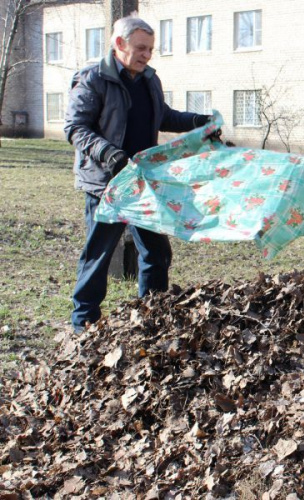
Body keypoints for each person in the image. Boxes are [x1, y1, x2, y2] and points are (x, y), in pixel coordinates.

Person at [64, 14, 212, 333]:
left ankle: (152, 314)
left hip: (144, 182)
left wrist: (197, 120)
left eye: (150, 49)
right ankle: (83, 324)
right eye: (141, 48)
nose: (147, 54)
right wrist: (109, 154)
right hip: (107, 184)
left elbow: (163, 115)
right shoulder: (92, 79)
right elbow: (75, 128)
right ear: (119, 44)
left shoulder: (149, 79)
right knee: (99, 255)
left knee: (157, 252)